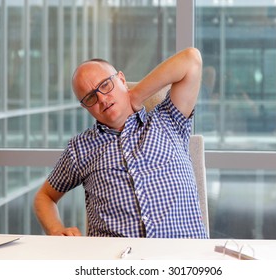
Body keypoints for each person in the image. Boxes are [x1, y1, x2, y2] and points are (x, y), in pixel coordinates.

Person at [33, 47, 208, 239]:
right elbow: (44, 197)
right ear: (85, 107)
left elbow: (192, 59)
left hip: (183, 256)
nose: (102, 99)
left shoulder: (168, 119)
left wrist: (136, 95)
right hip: (114, 261)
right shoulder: (80, 148)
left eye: (106, 85)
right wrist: (56, 230)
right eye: (91, 97)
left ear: (122, 79)